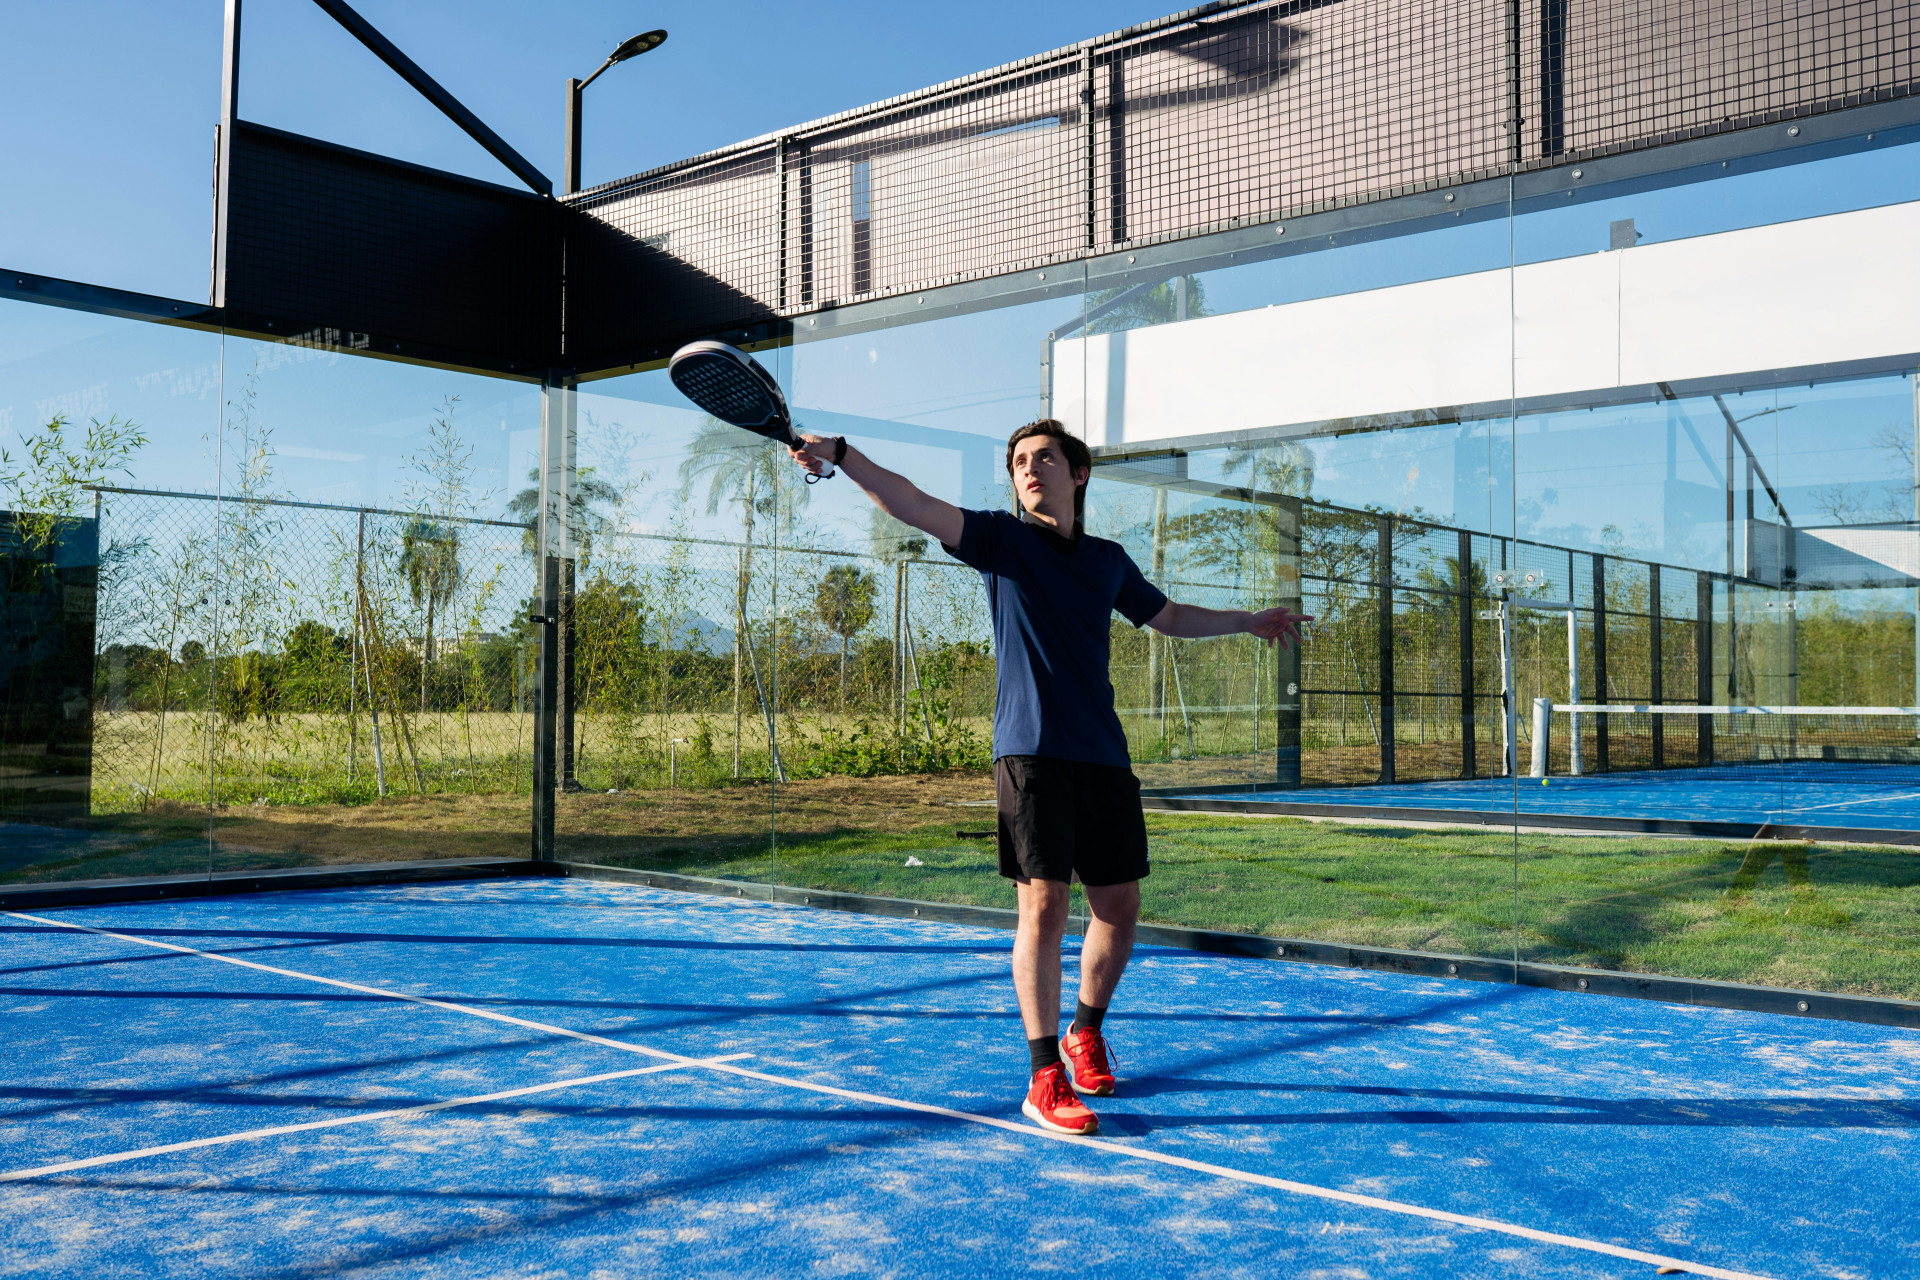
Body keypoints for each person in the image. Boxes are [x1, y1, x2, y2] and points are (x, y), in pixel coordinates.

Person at [789, 420, 1309, 1135]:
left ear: (1078, 473)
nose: (1029, 469)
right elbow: (911, 503)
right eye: (1019, 462)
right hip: (1030, 753)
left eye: (1044, 458)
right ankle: (1043, 1076)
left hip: (1104, 756)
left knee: (1119, 907)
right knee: (1045, 909)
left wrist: (1247, 620)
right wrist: (845, 456)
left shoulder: (1107, 560)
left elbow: (1167, 615)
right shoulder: (1000, 540)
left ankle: (1084, 1032)